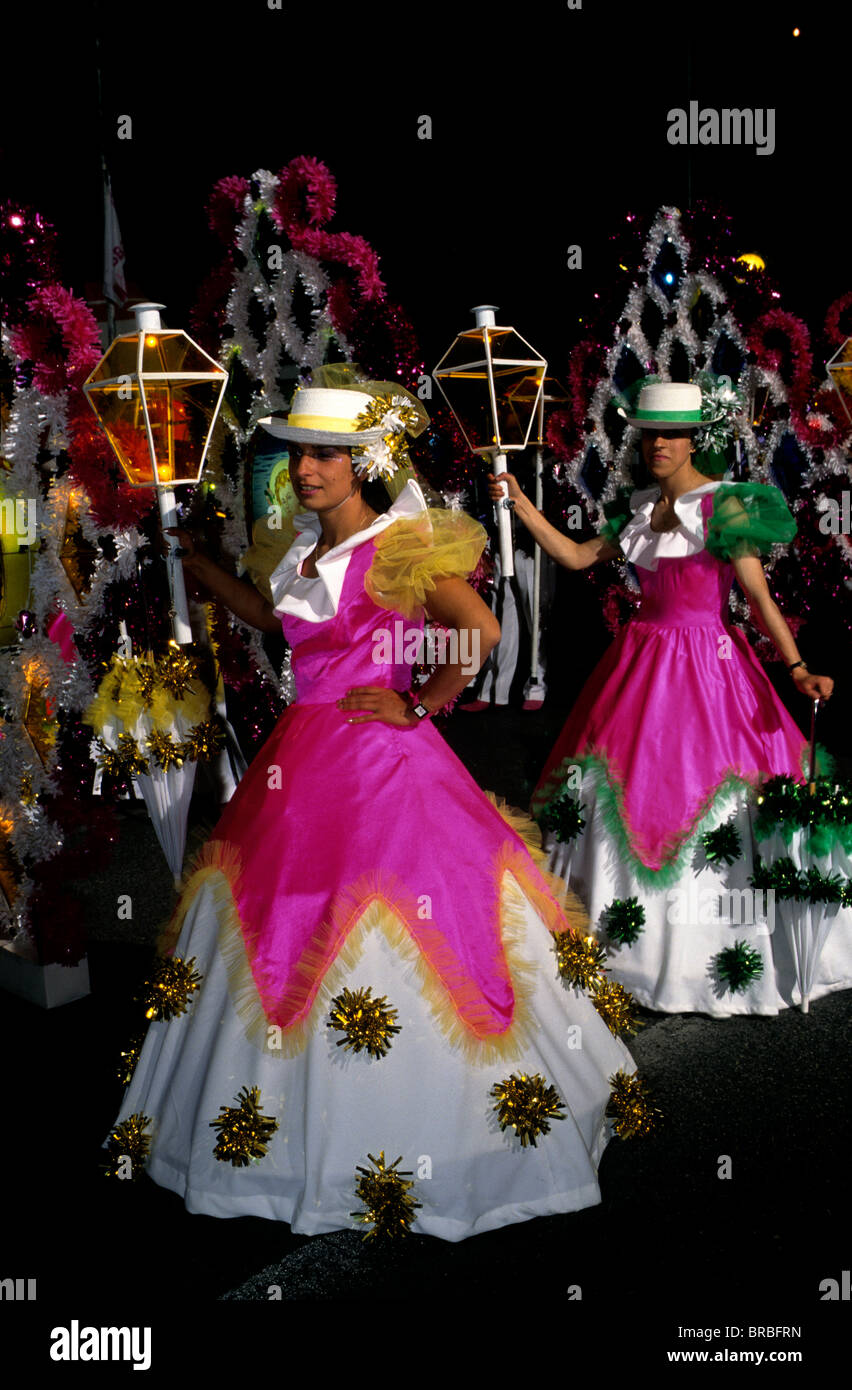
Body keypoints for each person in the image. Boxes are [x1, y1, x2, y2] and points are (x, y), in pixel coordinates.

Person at [110, 382, 638, 1240]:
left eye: (326, 455)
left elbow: (480, 632)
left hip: (380, 759)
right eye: (299, 455)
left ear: (364, 464)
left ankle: (435, 1137)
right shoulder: (299, 551)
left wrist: (419, 702)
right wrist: (201, 567)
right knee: (281, 917)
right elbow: (280, 629)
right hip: (300, 758)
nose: (307, 470)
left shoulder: (396, 546)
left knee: (400, 913)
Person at [490, 381, 851, 1016]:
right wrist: (518, 501)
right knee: (626, 783)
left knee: (711, 787)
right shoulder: (637, 509)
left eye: (672, 434)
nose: (659, 444)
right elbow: (574, 556)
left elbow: (759, 600)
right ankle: (625, 944)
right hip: (640, 665)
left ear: (693, 441)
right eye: (650, 434)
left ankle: (715, 951)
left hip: (709, 668)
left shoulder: (725, 509)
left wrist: (795, 669)